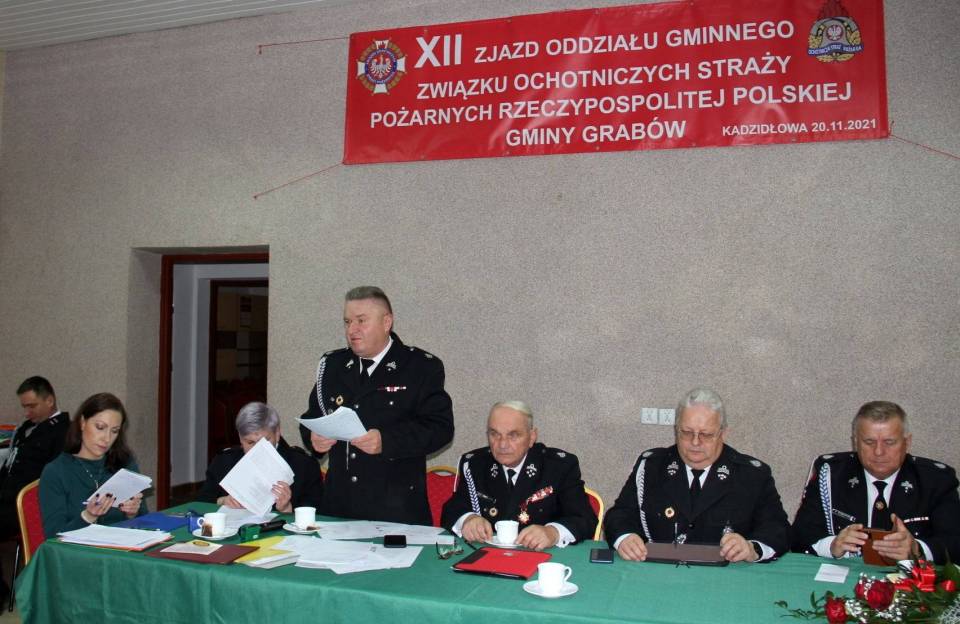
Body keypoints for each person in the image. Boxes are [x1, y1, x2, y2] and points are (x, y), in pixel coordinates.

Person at [299, 286, 454, 525]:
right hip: (339, 507)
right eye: (347, 321)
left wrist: (386, 441)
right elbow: (313, 415)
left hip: (395, 509)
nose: (352, 330)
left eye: (361, 321)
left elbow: (440, 428)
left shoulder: (419, 366)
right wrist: (314, 439)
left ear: (386, 322)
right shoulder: (332, 365)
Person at [604, 387, 789, 562]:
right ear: (676, 429)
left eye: (705, 435)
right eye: (686, 432)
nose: (695, 442)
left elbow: (778, 528)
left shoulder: (751, 476)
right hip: (660, 573)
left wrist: (752, 548)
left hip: (725, 577)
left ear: (723, 433)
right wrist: (625, 538)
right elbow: (619, 515)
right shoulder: (652, 467)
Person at [791, 401, 960, 563]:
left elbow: (954, 542)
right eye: (869, 442)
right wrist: (832, 545)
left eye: (889, 442)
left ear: (907, 443)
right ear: (855, 443)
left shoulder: (935, 480)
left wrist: (917, 549)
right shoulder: (831, 474)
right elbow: (799, 535)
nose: (879, 452)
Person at [440, 401, 597, 550]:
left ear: (532, 437)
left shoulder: (558, 467)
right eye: (495, 434)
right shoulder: (475, 464)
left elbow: (585, 519)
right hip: (489, 557)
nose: (502, 444)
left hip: (542, 558)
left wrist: (553, 532)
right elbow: (452, 509)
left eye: (513, 435)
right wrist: (467, 519)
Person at [39, 393, 147, 538]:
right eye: (100, 427)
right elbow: (54, 536)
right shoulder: (56, 471)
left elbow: (145, 522)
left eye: (114, 431)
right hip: (78, 550)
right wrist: (88, 516)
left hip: (121, 546)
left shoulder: (124, 463)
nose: (107, 438)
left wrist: (132, 514)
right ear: (82, 423)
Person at [198, 402, 323, 513]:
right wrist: (222, 501)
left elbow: (317, 513)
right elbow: (201, 502)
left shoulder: (305, 466)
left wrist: (287, 508)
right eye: (250, 442)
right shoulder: (223, 461)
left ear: (277, 433)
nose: (257, 449)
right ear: (240, 438)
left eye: (264, 441)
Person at [0, 377, 69, 538]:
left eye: (32, 406)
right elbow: (10, 465)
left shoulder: (63, 431)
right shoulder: (27, 427)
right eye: (24, 407)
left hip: (28, 506)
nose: (26, 413)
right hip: (7, 499)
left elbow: (54, 478)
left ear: (49, 401)